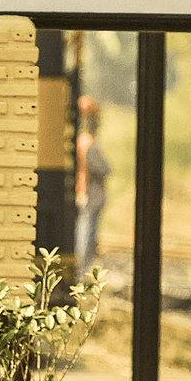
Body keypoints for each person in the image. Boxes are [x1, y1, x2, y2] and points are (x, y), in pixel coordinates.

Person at [74, 96, 111, 276]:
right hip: (91, 194)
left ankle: (82, 268)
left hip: (88, 193)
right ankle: (81, 269)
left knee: (86, 232)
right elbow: (104, 168)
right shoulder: (87, 143)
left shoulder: (81, 142)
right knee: (85, 232)